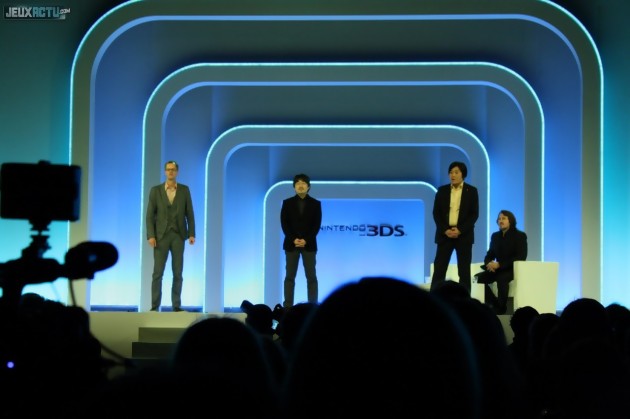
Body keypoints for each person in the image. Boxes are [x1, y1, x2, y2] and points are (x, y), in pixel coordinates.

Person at [146, 160, 195, 312]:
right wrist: (151, 235)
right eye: (168, 169)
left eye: (173, 169)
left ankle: (176, 305)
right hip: (161, 236)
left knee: (178, 273)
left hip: (178, 236)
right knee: (157, 273)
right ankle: (155, 306)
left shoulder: (184, 190)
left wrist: (192, 233)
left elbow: (189, 213)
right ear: (165, 172)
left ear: (177, 172)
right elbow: (150, 215)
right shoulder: (156, 190)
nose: (171, 172)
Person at [430, 161, 479, 293]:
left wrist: (460, 230)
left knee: (464, 270)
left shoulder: (472, 191)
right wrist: (445, 230)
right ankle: (434, 298)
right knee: (439, 269)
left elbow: (474, 214)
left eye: (456, 172)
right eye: (451, 172)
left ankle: (465, 300)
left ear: (463, 174)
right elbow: (436, 213)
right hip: (444, 234)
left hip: (463, 235)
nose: (453, 175)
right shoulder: (442, 190)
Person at [281, 173, 322, 308]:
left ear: (308, 186)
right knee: (289, 278)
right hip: (291, 245)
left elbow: (316, 225)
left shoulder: (316, 204)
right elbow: (284, 224)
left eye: (303, 183)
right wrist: (293, 239)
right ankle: (287, 308)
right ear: (294, 187)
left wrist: (306, 240)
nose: (300, 186)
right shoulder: (287, 203)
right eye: (298, 183)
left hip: (309, 245)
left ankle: (312, 307)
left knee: (311, 278)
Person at [474, 210, 527, 314]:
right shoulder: (495, 236)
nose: (500, 221)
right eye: (499, 219)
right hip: (497, 269)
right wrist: (488, 263)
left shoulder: (520, 236)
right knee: (477, 279)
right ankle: (495, 304)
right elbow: (490, 254)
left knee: (501, 278)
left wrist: (500, 264)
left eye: (504, 218)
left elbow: (521, 256)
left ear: (510, 221)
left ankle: (501, 308)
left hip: (511, 269)